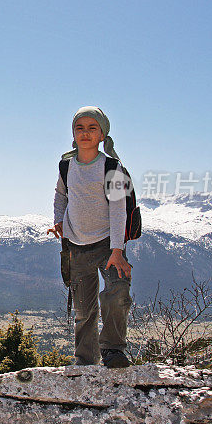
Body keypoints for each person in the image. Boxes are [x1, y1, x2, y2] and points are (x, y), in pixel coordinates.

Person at [48, 106, 133, 368]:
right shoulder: (66, 166)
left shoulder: (112, 167)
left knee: (118, 295)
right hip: (76, 246)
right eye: (79, 128)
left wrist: (118, 250)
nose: (85, 133)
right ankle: (85, 359)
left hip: (109, 244)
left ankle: (113, 350)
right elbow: (61, 194)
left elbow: (119, 209)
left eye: (92, 128)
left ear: (102, 134)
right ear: (73, 133)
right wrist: (58, 220)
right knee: (83, 309)